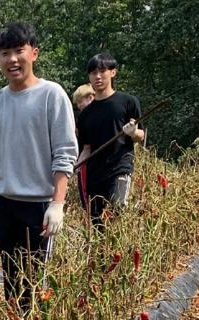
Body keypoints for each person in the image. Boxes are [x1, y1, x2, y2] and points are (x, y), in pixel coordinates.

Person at [0, 22, 77, 313]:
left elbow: (65, 154)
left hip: (39, 207)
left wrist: (57, 203)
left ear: (34, 53)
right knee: (12, 283)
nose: (13, 59)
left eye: (19, 51)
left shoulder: (51, 95)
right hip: (5, 207)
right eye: (5, 53)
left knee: (37, 285)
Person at [75, 52, 144, 227]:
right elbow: (86, 149)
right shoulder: (85, 115)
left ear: (113, 72)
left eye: (102, 71)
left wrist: (133, 132)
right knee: (97, 224)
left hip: (120, 168)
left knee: (118, 210)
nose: (98, 77)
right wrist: (74, 167)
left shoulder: (128, 102)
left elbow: (140, 135)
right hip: (94, 174)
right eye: (93, 73)